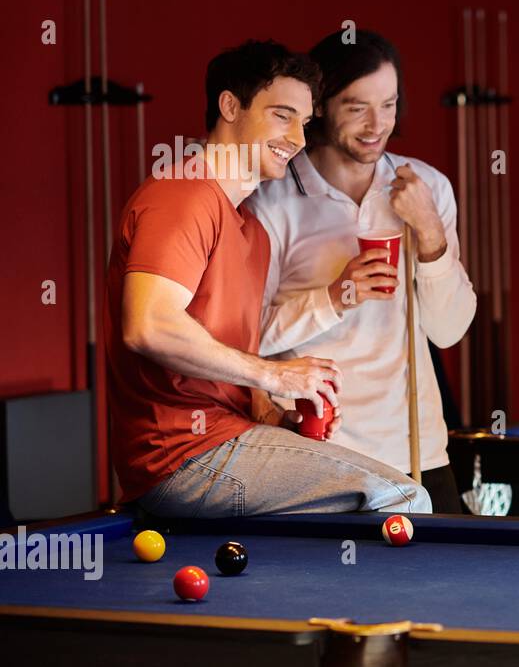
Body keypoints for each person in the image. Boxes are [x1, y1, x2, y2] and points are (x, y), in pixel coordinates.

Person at [106, 40, 431, 517]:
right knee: (402, 497)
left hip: (227, 439)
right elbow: (148, 326)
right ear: (230, 106)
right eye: (282, 115)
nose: (298, 139)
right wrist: (276, 373)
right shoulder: (183, 195)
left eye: (303, 121)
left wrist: (281, 417)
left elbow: (228, 366)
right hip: (181, 457)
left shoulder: (251, 229)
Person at [247, 31, 476, 513]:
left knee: (446, 587)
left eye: (389, 105)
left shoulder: (427, 186)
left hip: (418, 450)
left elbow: (450, 329)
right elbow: (248, 341)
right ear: (321, 105)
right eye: (357, 107)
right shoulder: (270, 201)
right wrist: (334, 297)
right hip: (318, 454)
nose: (378, 125)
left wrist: (431, 231)